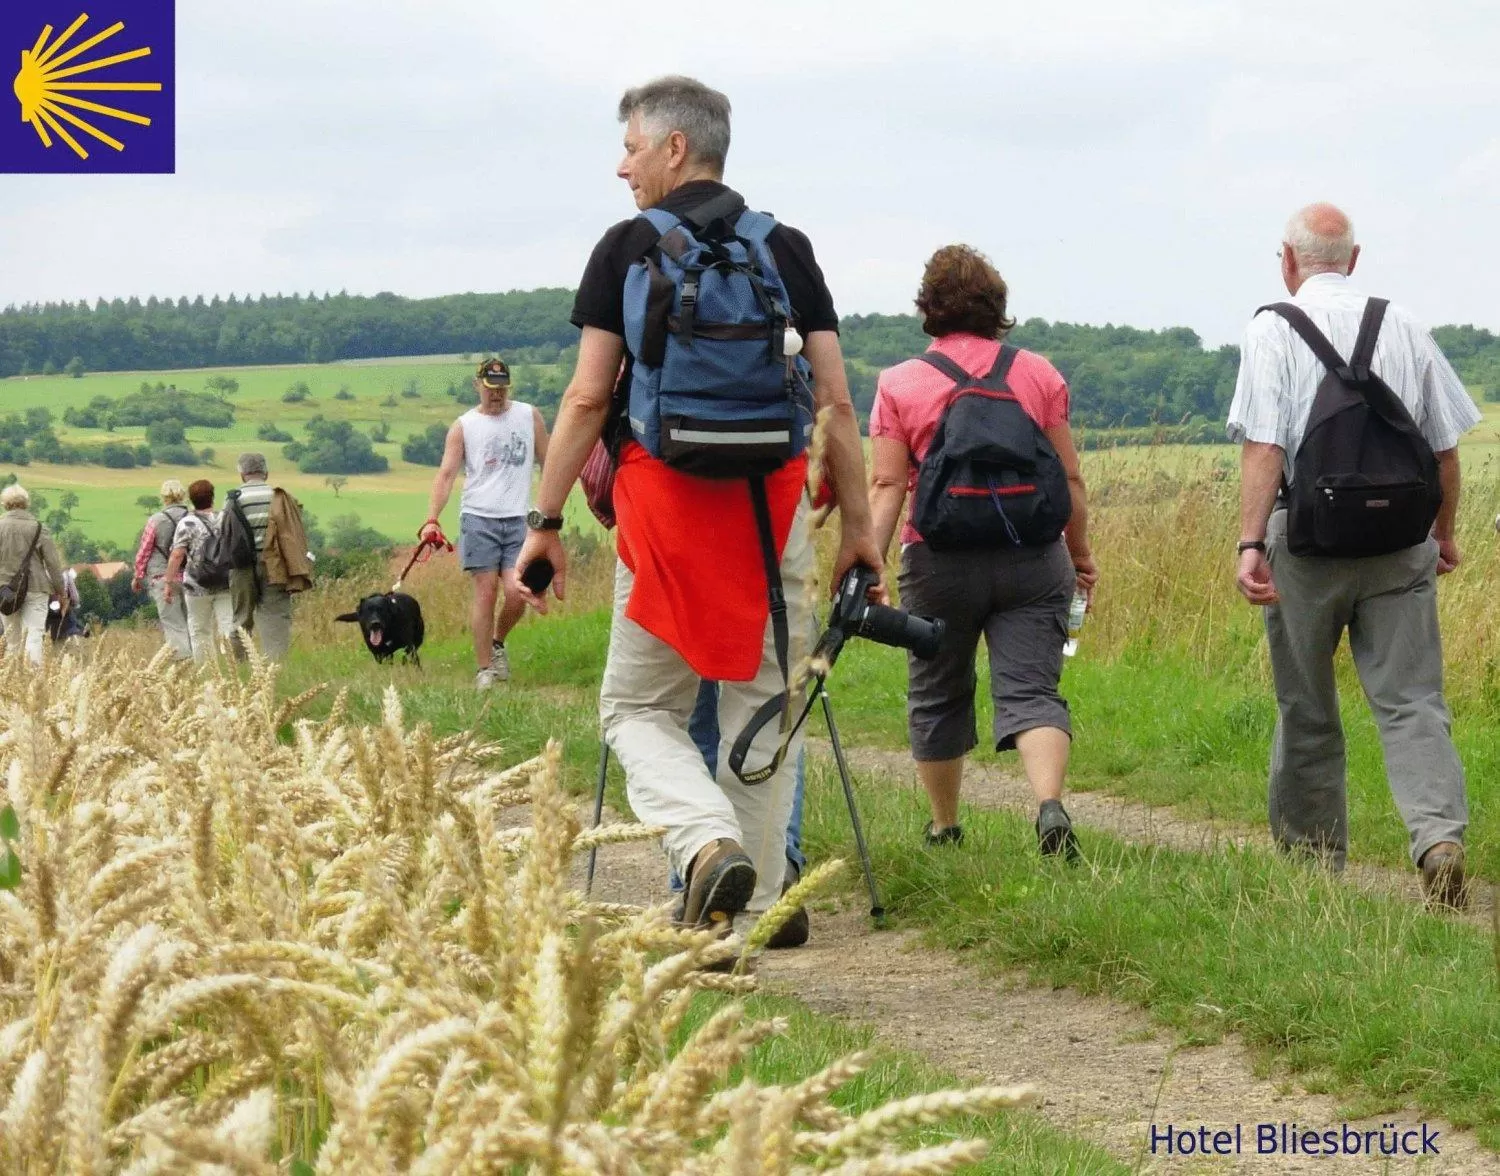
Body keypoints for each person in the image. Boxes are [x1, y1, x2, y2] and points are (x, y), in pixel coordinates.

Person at [515, 75, 881, 943]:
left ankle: (704, 844)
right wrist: (860, 529)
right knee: (765, 704)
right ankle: (737, 924)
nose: (622, 167)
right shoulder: (786, 248)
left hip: (664, 515)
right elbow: (834, 404)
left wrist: (546, 524)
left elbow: (583, 399)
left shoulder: (627, 246)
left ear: (675, 148)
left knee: (638, 710)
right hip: (774, 509)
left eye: (632, 147)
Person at [1227, 202, 1480, 910]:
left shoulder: (1272, 329)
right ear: (1355, 259)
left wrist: (1251, 543)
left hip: (1306, 546)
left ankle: (1312, 867)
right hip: (1400, 545)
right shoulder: (1405, 326)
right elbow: (1445, 448)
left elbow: (1265, 448)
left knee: (1306, 703)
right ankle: (1437, 840)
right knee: (1413, 702)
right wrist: (1445, 532)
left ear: (1288, 259)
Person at [868, 245, 1097, 857]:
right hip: (1033, 555)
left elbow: (889, 484)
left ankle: (945, 827)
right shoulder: (1038, 374)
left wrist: (867, 558)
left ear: (929, 308)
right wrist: (1080, 555)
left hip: (938, 561)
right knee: (1032, 692)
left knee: (938, 691)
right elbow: (1069, 479)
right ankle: (1049, 805)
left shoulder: (899, 383)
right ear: (998, 306)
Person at [420, 358, 550, 689]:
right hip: (478, 517)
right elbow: (447, 474)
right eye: (491, 388)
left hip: (518, 518)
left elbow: (548, 461)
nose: (497, 394)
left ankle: (497, 644)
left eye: (503, 387)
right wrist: (432, 518)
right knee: (486, 590)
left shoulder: (528, 415)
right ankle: (484, 671)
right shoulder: (464, 426)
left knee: (517, 592)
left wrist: (549, 513)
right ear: (477, 385)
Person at [228, 453, 299, 661]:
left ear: (242, 474)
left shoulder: (233, 498)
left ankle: (239, 672)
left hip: (241, 566)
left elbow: (223, 532)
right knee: (275, 619)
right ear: (266, 473)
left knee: (241, 620)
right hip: (275, 565)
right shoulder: (279, 497)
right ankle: (274, 671)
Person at [163, 479, 236, 665]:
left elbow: (177, 554)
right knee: (227, 627)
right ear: (212, 496)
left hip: (196, 585)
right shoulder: (225, 518)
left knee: (199, 630)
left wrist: (168, 583)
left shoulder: (187, 523)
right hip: (225, 582)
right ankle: (231, 668)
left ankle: (206, 671)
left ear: (191, 499)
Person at [0, 485, 67, 665]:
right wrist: (61, 593)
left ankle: (13, 680)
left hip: (5, 591)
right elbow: (53, 563)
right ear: (26, 503)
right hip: (36, 588)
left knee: (12, 638)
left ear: (5, 504)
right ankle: (33, 678)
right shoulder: (39, 528)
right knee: (34, 634)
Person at [131, 479, 192, 661]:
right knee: (193, 623)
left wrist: (138, 576)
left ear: (164, 497)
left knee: (173, 623)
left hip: (162, 577)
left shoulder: (155, 520)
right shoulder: (193, 517)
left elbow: (144, 551)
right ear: (182, 495)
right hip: (192, 578)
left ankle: (182, 662)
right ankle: (200, 663)